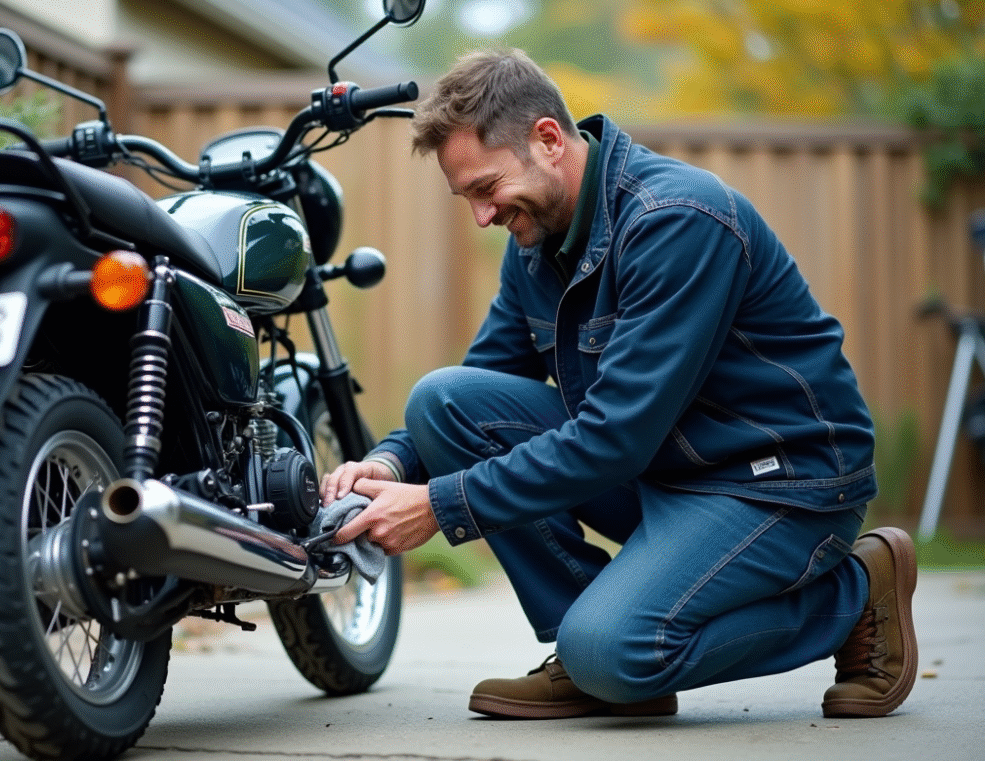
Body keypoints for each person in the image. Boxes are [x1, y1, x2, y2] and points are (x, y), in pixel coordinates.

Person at [321, 48, 917, 720]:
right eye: (468, 199)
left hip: (778, 484)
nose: (482, 216)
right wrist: (388, 462)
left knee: (614, 651)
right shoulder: (537, 242)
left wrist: (436, 505)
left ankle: (855, 593)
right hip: (668, 472)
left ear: (548, 140)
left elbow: (615, 437)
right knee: (444, 401)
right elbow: (483, 382)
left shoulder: (677, 221)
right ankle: (586, 656)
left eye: (486, 189)